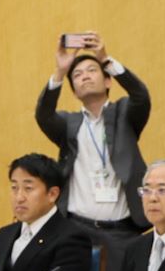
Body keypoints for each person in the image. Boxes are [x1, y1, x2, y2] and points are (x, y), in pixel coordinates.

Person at [34, 34, 153, 237]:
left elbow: (140, 96)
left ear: (108, 81)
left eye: (92, 71)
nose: (85, 76)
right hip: (76, 228)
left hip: (122, 230)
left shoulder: (124, 114)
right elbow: (43, 115)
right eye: (78, 75)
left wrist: (105, 59)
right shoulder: (68, 124)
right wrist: (60, 72)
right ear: (74, 92)